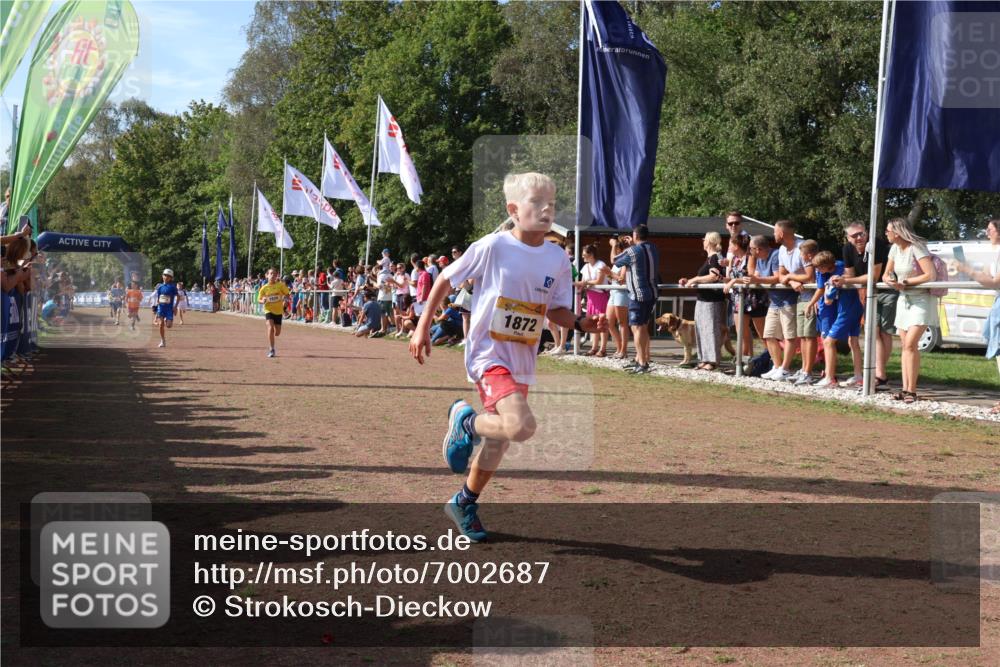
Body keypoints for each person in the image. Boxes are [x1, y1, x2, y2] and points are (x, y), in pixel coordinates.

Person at [409, 172, 606, 542]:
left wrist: (581, 322)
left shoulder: (557, 258)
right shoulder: (493, 246)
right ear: (513, 210)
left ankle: (464, 502)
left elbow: (557, 311)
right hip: (488, 354)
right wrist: (422, 326)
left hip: (523, 359)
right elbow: (445, 280)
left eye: (552, 202)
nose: (547, 209)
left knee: (499, 442)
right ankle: (466, 424)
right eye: (537, 202)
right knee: (520, 427)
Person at [830, 221, 897, 391]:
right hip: (868, 293)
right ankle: (878, 374)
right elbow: (851, 274)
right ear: (848, 238)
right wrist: (844, 280)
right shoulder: (847, 249)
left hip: (886, 291)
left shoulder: (877, 244)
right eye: (855, 235)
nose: (859, 238)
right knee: (873, 331)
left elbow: (873, 276)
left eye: (862, 234)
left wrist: (847, 280)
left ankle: (880, 374)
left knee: (883, 332)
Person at [883, 217, 939, 403]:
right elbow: (886, 273)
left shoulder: (917, 247)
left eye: (888, 230)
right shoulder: (894, 249)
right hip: (903, 299)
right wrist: (889, 279)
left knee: (910, 344)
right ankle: (906, 389)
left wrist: (905, 282)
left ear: (897, 232)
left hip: (921, 299)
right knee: (906, 346)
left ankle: (912, 390)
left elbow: (930, 274)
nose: (886, 233)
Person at [956, 219, 1000, 413]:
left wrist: (968, 270)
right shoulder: (992, 254)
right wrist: (969, 270)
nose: (986, 232)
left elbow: (994, 282)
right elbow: (986, 278)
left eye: (990, 229)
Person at [740, 234, 797, 380]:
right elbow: (756, 275)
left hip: (788, 301)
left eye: (751, 249)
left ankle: (785, 369)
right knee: (769, 335)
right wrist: (748, 279)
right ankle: (777, 366)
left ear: (757, 249)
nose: (749, 252)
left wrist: (757, 279)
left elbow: (777, 277)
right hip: (774, 301)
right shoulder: (759, 259)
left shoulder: (775, 255)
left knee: (789, 336)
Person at [808, 251, 863, 388]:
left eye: (819, 268)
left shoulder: (840, 271)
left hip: (848, 310)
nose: (818, 271)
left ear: (827, 265)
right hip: (851, 308)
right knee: (853, 341)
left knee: (828, 342)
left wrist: (829, 296)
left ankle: (829, 378)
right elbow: (823, 289)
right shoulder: (829, 272)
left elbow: (828, 299)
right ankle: (858, 376)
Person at [612, 224, 660, 374]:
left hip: (638, 295)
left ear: (635, 235)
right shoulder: (653, 248)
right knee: (642, 326)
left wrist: (614, 245)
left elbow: (615, 260)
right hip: (652, 293)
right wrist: (632, 245)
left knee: (637, 327)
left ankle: (643, 363)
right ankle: (641, 359)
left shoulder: (633, 251)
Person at [679, 232, 724, 371]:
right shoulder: (709, 258)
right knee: (701, 330)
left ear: (710, 242)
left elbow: (713, 276)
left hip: (712, 301)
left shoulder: (716, 257)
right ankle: (704, 358)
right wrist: (688, 280)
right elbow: (703, 276)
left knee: (711, 330)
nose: (702, 241)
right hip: (702, 300)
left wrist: (695, 280)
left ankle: (712, 360)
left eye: (705, 239)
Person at [779, 239, 820, 385]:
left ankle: (808, 372)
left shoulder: (817, 265)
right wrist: (792, 280)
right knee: (803, 336)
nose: (801, 258)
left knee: (809, 336)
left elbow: (811, 278)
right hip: (802, 299)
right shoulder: (807, 262)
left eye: (802, 254)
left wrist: (790, 276)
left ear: (809, 255)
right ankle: (804, 370)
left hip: (811, 301)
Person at [575, 244, 609, 356]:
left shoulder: (601, 265)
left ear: (591, 254)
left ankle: (602, 349)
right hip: (590, 296)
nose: (583, 256)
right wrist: (579, 284)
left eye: (585, 254)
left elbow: (599, 281)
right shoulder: (585, 267)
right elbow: (583, 281)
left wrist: (586, 283)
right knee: (593, 323)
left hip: (600, 296)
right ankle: (594, 347)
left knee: (602, 322)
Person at [258, 267, 290, 358]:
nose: (272, 275)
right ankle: (272, 349)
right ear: (267, 275)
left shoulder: (281, 285)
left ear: (276, 276)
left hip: (278, 311)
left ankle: (274, 336)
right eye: (270, 273)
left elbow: (287, 294)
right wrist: (263, 300)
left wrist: (285, 299)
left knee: (277, 333)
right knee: (270, 328)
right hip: (268, 310)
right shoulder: (264, 288)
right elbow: (259, 300)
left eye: (274, 274)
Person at [153, 269, 178, 348]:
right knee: (161, 325)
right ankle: (163, 340)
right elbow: (158, 297)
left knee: (169, 326)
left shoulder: (173, 287)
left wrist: (175, 307)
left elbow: (178, 296)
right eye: (165, 275)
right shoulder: (159, 287)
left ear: (171, 278)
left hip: (169, 309)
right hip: (161, 308)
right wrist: (157, 307)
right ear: (162, 276)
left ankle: (166, 320)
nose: (166, 277)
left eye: (168, 276)